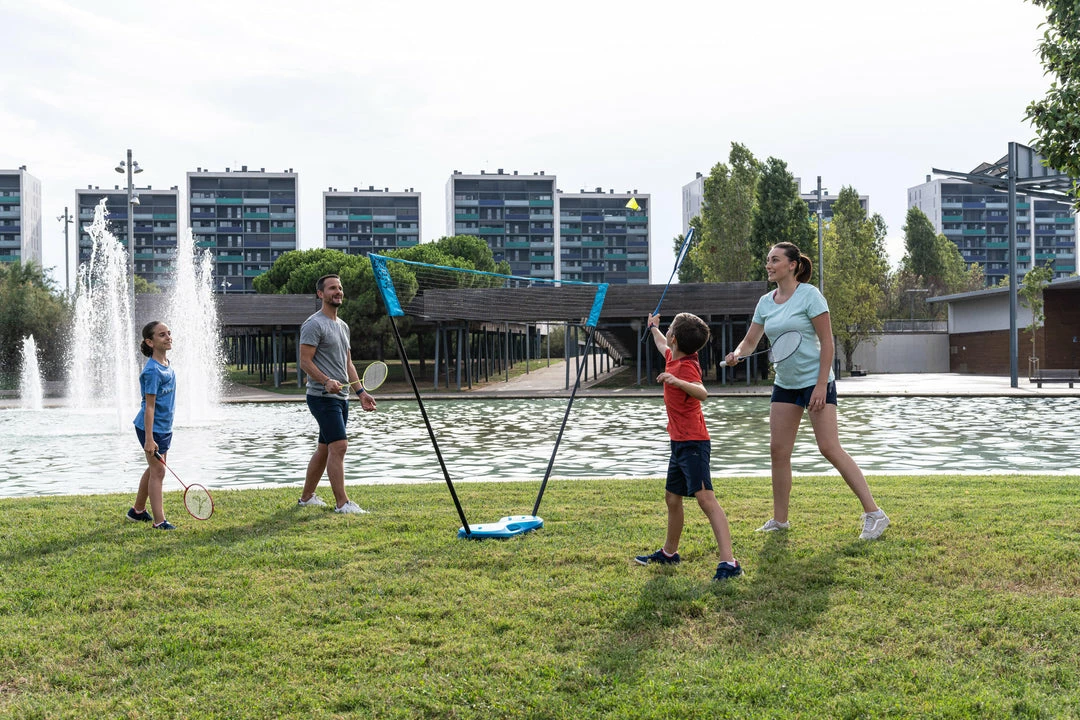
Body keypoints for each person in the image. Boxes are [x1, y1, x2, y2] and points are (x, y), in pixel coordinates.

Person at [725, 242, 889, 540]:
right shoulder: (765, 302)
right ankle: (780, 520)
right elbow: (750, 341)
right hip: (785, 384)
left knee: (829, 447)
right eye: (767, 260)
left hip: (816, 382)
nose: (769, 265)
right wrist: (736, 353)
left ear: (792, 265)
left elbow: (828, 342)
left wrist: (820, 385)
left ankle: (875, 514)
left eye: (774, 260)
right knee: (778, 451)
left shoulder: (810, 296)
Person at [634, 311, 742, 581]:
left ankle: (729, 562)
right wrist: (654, 327)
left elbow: (702, 392)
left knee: (706, 500)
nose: (666, 334)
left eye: (669, 329)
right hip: (679, 443)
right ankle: (670, 553)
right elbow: (660, 344)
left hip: (694, 443)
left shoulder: (687, 366)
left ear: (676, 339)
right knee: (672, 497)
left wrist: (676, 381)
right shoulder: (673, 354)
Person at [297, 273, 377, 514]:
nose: (338, 292)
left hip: (341, 398)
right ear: (320, 294)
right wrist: (325, 380)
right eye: (332, 288)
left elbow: (348, 364)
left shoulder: (343, 326)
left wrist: (361, 392)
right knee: (339, 445)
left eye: (340, 288)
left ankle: (306, 497)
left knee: (325, 449)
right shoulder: (313, 324)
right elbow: (304, 361)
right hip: (322, 397)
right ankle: (342, 503)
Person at [128, 321, 177, 530]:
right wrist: (149, 438)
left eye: (169, 333)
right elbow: (149, 407)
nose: (168, 337)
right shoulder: (152, 371)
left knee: (155, 468)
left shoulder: (165, 363)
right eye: (161, 335)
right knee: (159, 472)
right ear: (150, 342)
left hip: (164, 427)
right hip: (151, 429)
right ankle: (159, 522)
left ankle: (137, 511)